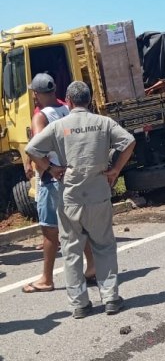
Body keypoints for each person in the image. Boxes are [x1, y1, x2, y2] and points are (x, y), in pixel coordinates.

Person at [25, 81, 136, 319]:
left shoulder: (59, 126)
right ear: (90, 100)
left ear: (69, 100)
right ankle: (110, 299)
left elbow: (32, 148)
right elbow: (129, 142)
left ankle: (80, 305)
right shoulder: (103, 123)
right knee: (104, 246)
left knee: (72, 250)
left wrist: (51, 169)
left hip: (71, 196)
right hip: (98, 193)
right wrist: (115, 169)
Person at [22, 73, 96, 294]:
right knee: (79, 225)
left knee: (49, 231)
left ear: (36, 94)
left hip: (52, 179)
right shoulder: (68, 108)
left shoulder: (41, 117)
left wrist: (48, 168)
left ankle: (46, 278)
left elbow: (36, 147)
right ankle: (92, 266)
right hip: (73, 176)